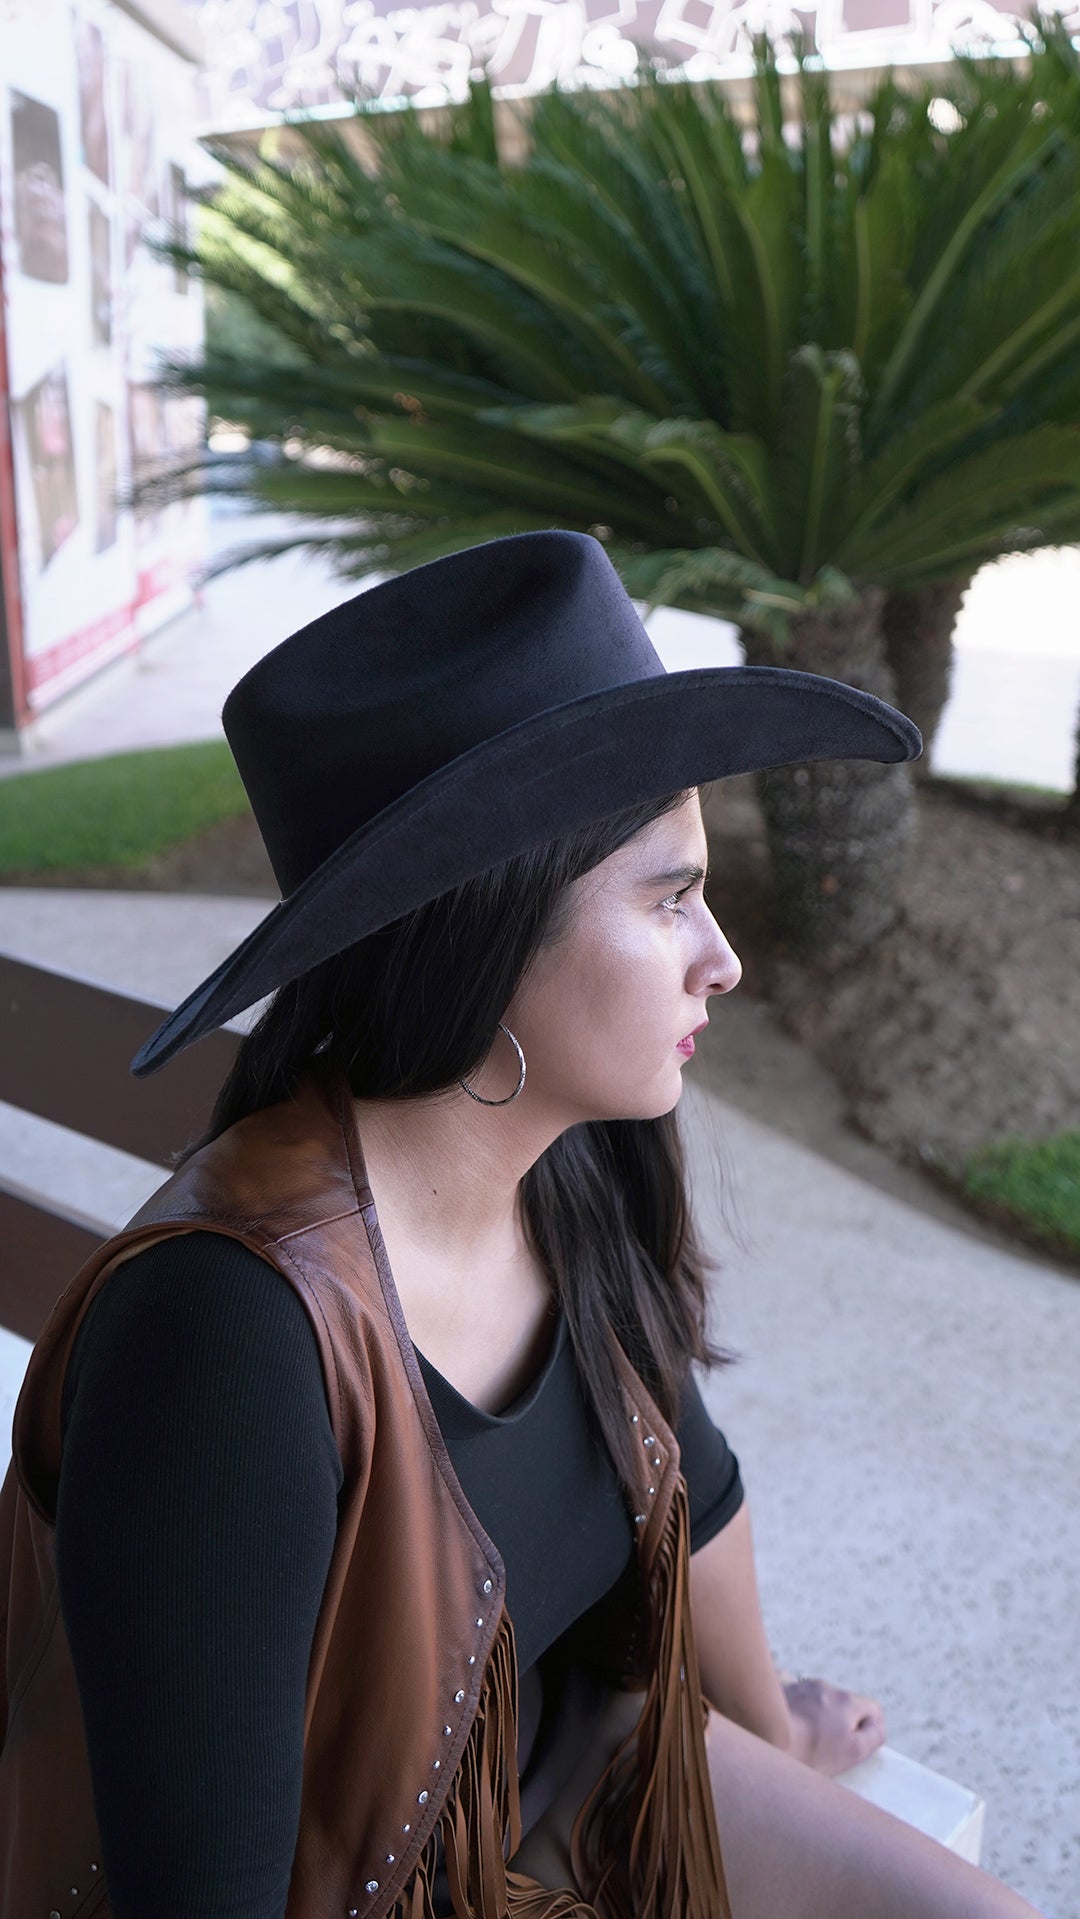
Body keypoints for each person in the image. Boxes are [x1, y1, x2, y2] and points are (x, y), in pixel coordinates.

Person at [0, 531, 1042, 1919]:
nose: (724, 959)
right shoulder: (226, 1339)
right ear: (488, 938)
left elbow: (690, 1476)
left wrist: (770, 1729)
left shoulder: (569, 1163)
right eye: (672, 897)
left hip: (554, 1769)